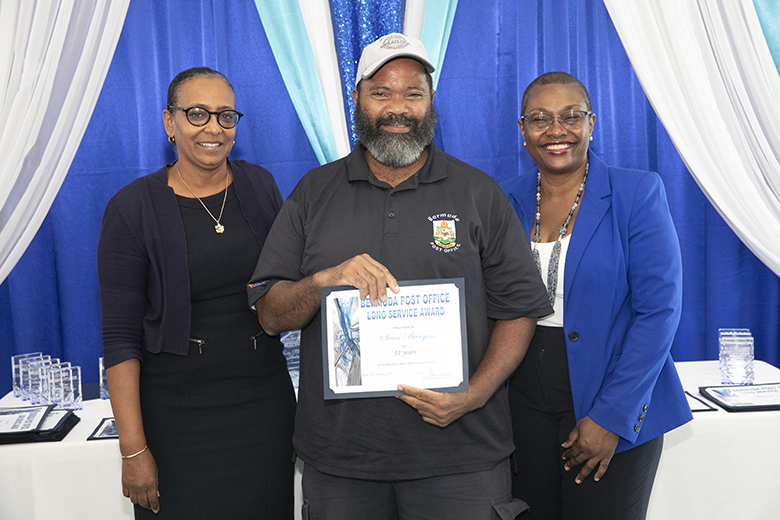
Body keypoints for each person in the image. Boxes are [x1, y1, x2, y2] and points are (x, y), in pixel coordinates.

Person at [247, 33, 551, 520]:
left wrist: (472, 396)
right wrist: (323, 281)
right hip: (342, 464)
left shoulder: (478, 193)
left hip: (462, 458)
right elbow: (269, 314)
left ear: (431, 101)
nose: (398, 108)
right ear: (357, 98)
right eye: (381, 93)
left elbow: (519, 310)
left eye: (413, 94)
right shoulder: (313, 192)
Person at [97, 67, 295, 519]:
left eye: (226, 115)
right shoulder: (132, 207)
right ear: (170, 122)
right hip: (177, 415)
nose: (214, 128)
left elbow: (285, 284)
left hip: (263, 406)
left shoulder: (260, 185)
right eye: (197, 114)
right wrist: (133, 450)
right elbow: (121, 339)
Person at [500, 71, 693, 520]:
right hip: (523, 401)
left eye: (571, 116)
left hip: (611, 393)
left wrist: (611, 416)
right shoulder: (503, 199)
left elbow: (658, 312)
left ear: (591, 122)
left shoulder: (636, 192)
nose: (556, 130)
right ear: (522, 129)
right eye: (540, 118)